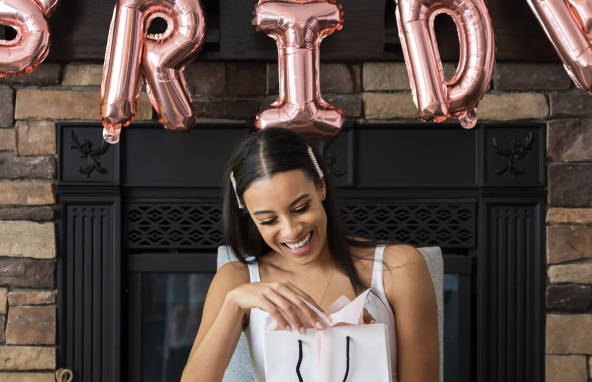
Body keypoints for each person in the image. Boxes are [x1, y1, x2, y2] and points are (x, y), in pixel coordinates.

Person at [181, 128, 440, 382]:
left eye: (301, 208)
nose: (291, 231)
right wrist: (233, 305)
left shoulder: (400, 267)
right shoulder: (237, 280)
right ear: (250, 216)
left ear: (321, 186)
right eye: (269, 220)